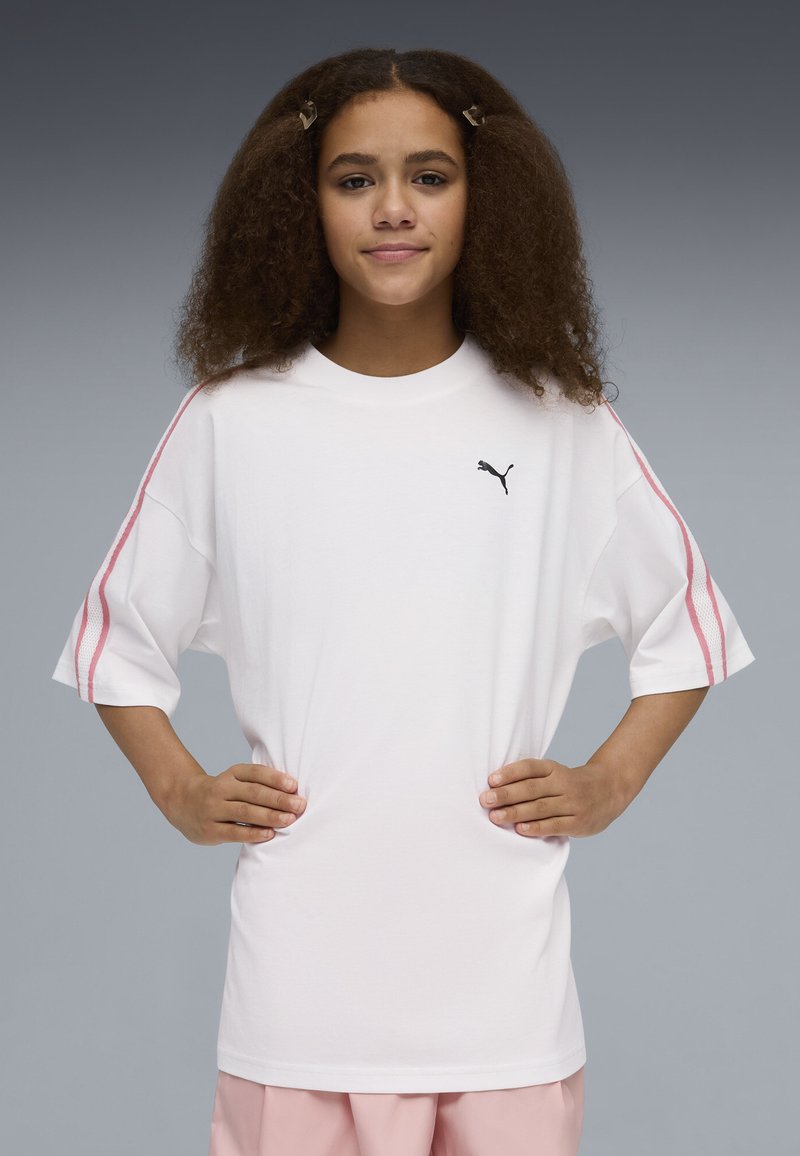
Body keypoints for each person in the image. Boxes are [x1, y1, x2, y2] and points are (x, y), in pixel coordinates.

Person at [50, 46, 756, 1156]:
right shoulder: (231, 422)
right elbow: (115, 644)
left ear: (487, 197)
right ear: (300, 204)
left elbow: (689, 628)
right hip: (297, 1000)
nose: (392, 209)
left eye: (430, 176)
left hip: (502, 1002)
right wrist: (180, 788)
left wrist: (607, 780)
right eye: (353, 179)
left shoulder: (561, 423)